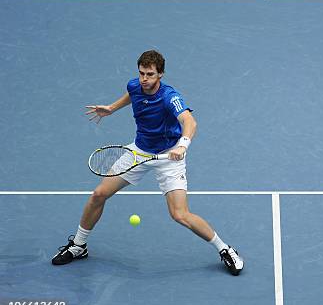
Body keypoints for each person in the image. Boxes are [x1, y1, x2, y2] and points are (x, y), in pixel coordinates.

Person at [52, 50, 244, 274]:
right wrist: (111, 108)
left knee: (180, 214)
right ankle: (78, 245)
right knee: (98, 195)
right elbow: (131, 94)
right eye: (142, 73)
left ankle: (225, 249)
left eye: (150, 74)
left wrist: (183, 145)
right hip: (139, 152)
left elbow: (189, 121)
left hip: (169, 156)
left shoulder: (169, 97)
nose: (145, 79)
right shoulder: (135, 85)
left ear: (160, 74)